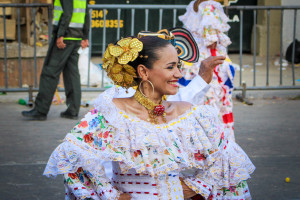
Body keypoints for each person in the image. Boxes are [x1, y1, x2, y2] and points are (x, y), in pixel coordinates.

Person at [43, 32, 255, 200]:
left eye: (179, 67)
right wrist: (109, 195)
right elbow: (72, 157)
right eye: (170, 67)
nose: (179, 74)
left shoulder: (190, 114)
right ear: (144, 72)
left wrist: (195, 187)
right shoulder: (111, 115)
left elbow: (228, 160)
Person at [21, 0, 90, 120]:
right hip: (76, 37)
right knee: (71, 74)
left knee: (50, 72)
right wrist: (85, 36)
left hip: (65, 38)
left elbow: (67, 13)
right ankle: (72, 110)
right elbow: (86, 13)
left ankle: (40, 110)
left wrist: (60, 34)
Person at [179, 0, 236, 140]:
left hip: (192, 58)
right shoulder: (210, 6)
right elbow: (212, 40)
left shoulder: (194, 4)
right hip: (208, 58)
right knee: (212, 98)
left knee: (194, 95)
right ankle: (214, 137)